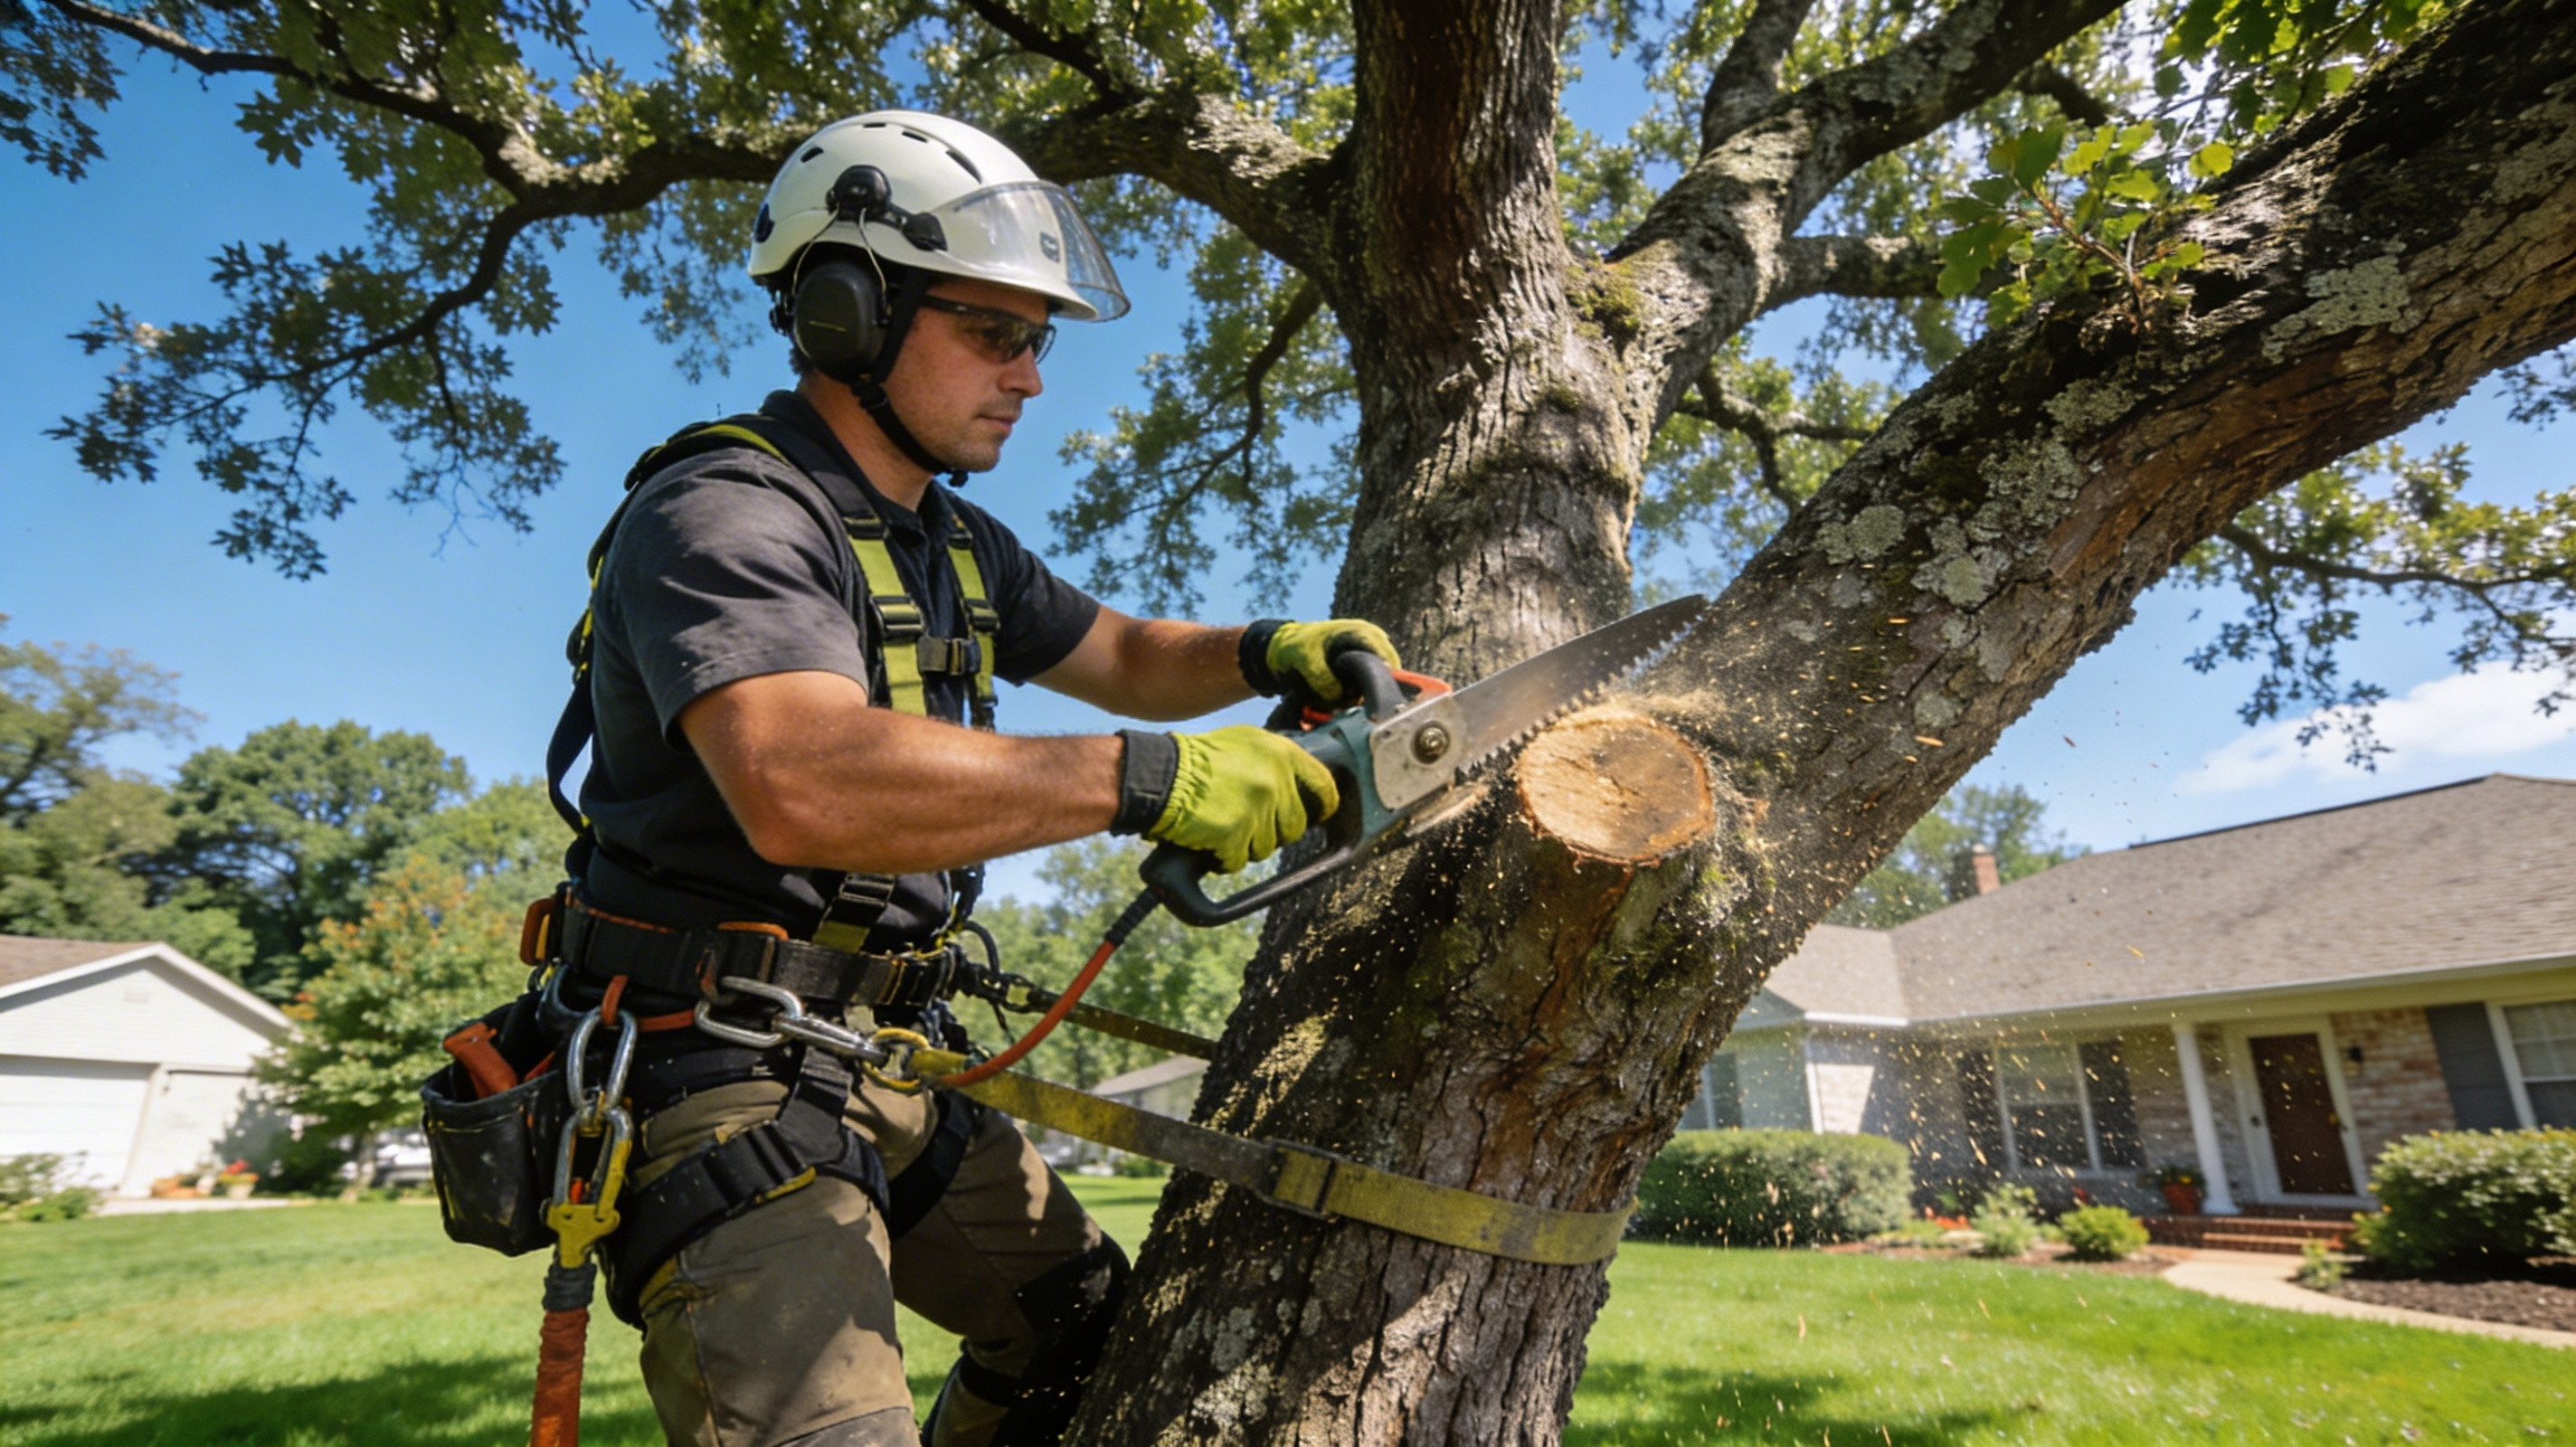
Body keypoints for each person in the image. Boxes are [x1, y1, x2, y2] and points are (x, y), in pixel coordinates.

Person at [538, 110, 1401, 1447]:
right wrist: (1158, 782)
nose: (1032, 376)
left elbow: (1119, 653)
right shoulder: (723, 512)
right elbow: (799, 779)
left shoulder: (955, 541)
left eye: (1038, 338)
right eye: (996, 332)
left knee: (1080, 1330)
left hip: (877, 1050)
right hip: (710, 1066)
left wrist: (1271, 646)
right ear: (845, 313)